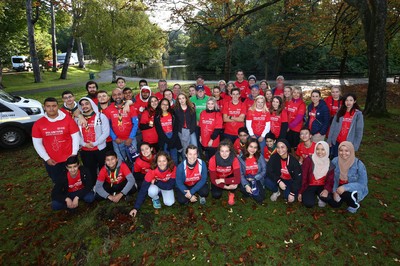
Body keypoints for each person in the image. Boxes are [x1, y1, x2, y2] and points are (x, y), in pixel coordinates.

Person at [32, 97, 80, 183]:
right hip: (52, 160)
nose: (51, 108)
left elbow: (75, 137)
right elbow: (37, 143)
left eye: (54, 106)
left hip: (69, 158)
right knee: (58, 182)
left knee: (73, 180)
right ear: (44, 107)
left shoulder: (68, 120)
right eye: (48, 106)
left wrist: (74, 154)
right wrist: (46, 158)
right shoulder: (38, 123)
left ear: (57, 106)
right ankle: (63, 196)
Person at [129, 152, 176, 217]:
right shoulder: (152, 171)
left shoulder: (173, 168)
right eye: (159, 161)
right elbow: (143, 189)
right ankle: (155, 198)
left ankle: (161, 194)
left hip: (166, 186)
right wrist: (135, 208)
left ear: (168, 161)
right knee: (151, 191)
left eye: (164, 161)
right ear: (156, 162)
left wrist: (157, 182)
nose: (162, 163)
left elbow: (170, 186)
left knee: (169, 203)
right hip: (157, 186)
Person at [328, 141, 368, 213]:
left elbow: (362, 183)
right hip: (339, 185)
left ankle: (353, 205)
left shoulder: (359, 164)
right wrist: (334, 191)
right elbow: (331, 178)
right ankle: (343, 197)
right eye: (341, 150)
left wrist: (345, 188)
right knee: (334, 204)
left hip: (354, 188)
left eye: (347, 151)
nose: (343, 153)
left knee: (347, 195)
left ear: (351, 151)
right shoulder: (335, 161)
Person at [103, 88, 139, 165]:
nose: (117, 97)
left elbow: (135, 124)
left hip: (131, 140)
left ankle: (134, 175)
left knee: (134, 160)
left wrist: (131, 137)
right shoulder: (108, 110)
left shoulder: (130, 107)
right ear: (112, 97)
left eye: (119, 94)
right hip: (117, 141)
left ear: (123, 95)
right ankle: (124, 175)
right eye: (114, 95)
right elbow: (107, 126)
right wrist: (114, 138)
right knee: (121, 162)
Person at [77, 97, 110, 181]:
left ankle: (104, 184)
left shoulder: (101, 116)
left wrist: (95, 143)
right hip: (85, 150)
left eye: (87, 103)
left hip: (100, 149)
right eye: (82, 104)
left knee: (103, 169)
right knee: (90, 170)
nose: (85, 106)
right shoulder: (78, 119)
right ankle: (93, 185)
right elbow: (76, 135)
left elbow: (106, 132)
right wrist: (84, 144)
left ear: (91, 104)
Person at [298, 141, 334, 208]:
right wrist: (300, 192)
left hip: (322, 185)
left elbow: (330, 180)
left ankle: (319, 196)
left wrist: (326, 189)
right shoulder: (309, 160)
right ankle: (312, 195)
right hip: (309, 185)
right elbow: (304, 177)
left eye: (323, 149)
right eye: (317, 149)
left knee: (328, 198)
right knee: (309, 204)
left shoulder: (330, 164)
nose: (319, 152)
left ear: (327, 150)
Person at [327, 93, 364, 158]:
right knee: (335, 159)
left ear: (354, 101)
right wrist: (329, 140)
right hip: (337, 141)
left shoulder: (358, 114)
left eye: (351, 100)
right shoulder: (340, 111)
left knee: (345, 161)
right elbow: (333, 126)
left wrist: (355, 145)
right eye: (346, 100)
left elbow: (359, 131)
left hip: (348, 143)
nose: (348, 102)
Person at [209, 140, 241, 205]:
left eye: (227, 151)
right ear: (219, 151)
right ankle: (227, 189)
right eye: (222, 151)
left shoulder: (234, 159)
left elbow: (238, 179)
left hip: (228, 176)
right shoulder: (213, 159)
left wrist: (222, 180)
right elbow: (213, 179)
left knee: (235, 183)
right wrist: (226, 187)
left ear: (230, 151)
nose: (224, 154)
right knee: (216, 195)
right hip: (217, 177)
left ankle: (231, 194)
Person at [154, 98, 182, 165]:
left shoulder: (172, 114)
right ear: (160, 105)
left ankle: (175, 172)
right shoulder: (157, 116)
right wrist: (167, 141)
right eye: (163, 104)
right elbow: (159, 131)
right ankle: (168, 172)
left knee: (174, 157)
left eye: (167, 105)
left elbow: (176, 128)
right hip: (164, 138)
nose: (165, 106)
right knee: (166, 157)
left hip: (173, 137)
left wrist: (172, 140)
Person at [238, 139, 267, 203]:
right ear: (247, 146)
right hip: (246, 178)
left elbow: (264, 170)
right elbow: (240, 173)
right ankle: (247, 191)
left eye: (255, 147)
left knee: (261, 198)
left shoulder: (259, 156)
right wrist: (246, 185)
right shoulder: (241, 157)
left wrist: (255, 178)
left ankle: (252, 191)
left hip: (256, 177)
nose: (253, 149)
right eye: (251, 146)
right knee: (244, 188)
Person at [175, 93, 197, 159]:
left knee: (194, 146)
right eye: (179, 99)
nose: (181, 100)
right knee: (184, 148)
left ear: (186, 99)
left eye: (183, 98)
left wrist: (190, 131)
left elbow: (194, 121)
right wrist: (180, 131)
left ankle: (195, 160)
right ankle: (185, 160)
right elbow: (176, 122)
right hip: (181, 131)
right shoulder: (176, 110)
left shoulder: (191, 108)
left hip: (190, 130)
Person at [286, 87, 306, 152]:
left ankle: (296, 160)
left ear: (300, 94)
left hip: (296, 128)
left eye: (298, 93)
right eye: (294, 92)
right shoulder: (290, 102)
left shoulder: (302, 104)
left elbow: (299, 118)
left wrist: (290, 126)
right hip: (288, 127)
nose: (296, 94)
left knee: (295, 146)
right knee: (288, 145)